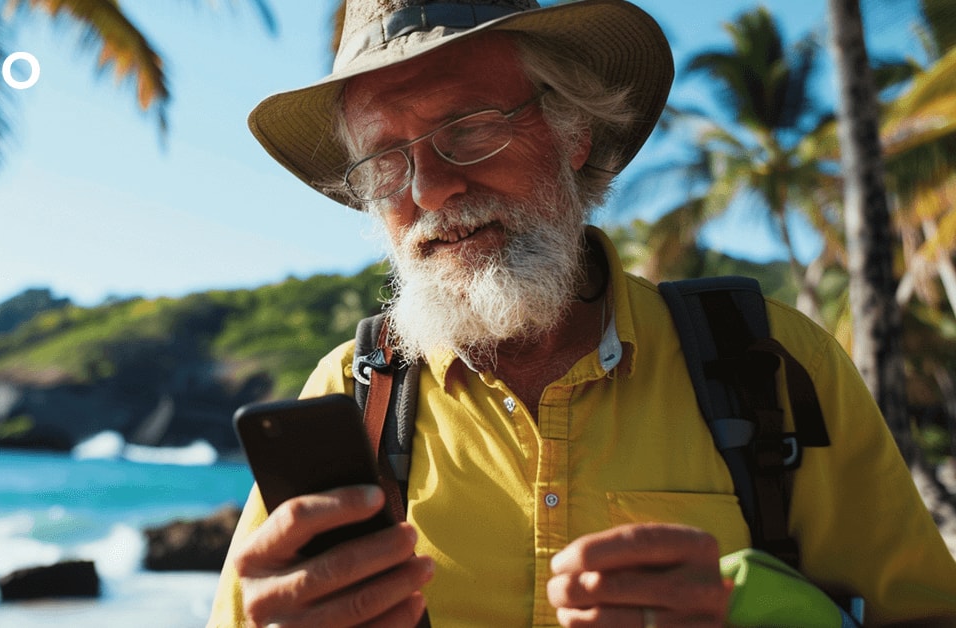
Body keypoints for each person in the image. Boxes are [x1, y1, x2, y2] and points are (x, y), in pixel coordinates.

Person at [209, 0, 956, 626]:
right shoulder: (351, 393)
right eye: (384, 160)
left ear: (575, 134)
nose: (431, 189)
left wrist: (758, 609)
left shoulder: (776, 366)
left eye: (469, 127)